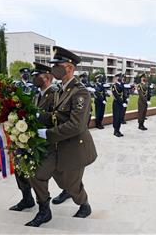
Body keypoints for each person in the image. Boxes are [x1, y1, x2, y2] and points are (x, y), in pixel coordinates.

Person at [26, 46, 97, 227]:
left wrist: (48, 133)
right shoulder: (59, 90)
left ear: (70, 68)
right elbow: (58, 116)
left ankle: (84, 204)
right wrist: (41, 117)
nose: (54, 68)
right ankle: (44, 211)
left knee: (71, 185)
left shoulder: (80, 92)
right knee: (37, 174)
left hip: (73, 147)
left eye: (58, 64)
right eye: (54, 64)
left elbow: (76, 125)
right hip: (55, 146)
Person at [8, 62, 55, 212]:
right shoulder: (36, 94)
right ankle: (27, 199)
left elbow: (56, 119)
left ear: (46, 77)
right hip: (30, 139)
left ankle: (44, 209)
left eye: (36, 75)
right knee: (20, 167)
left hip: (46, 141)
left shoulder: (55, 94)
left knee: (38, 175)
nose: (33, 78)